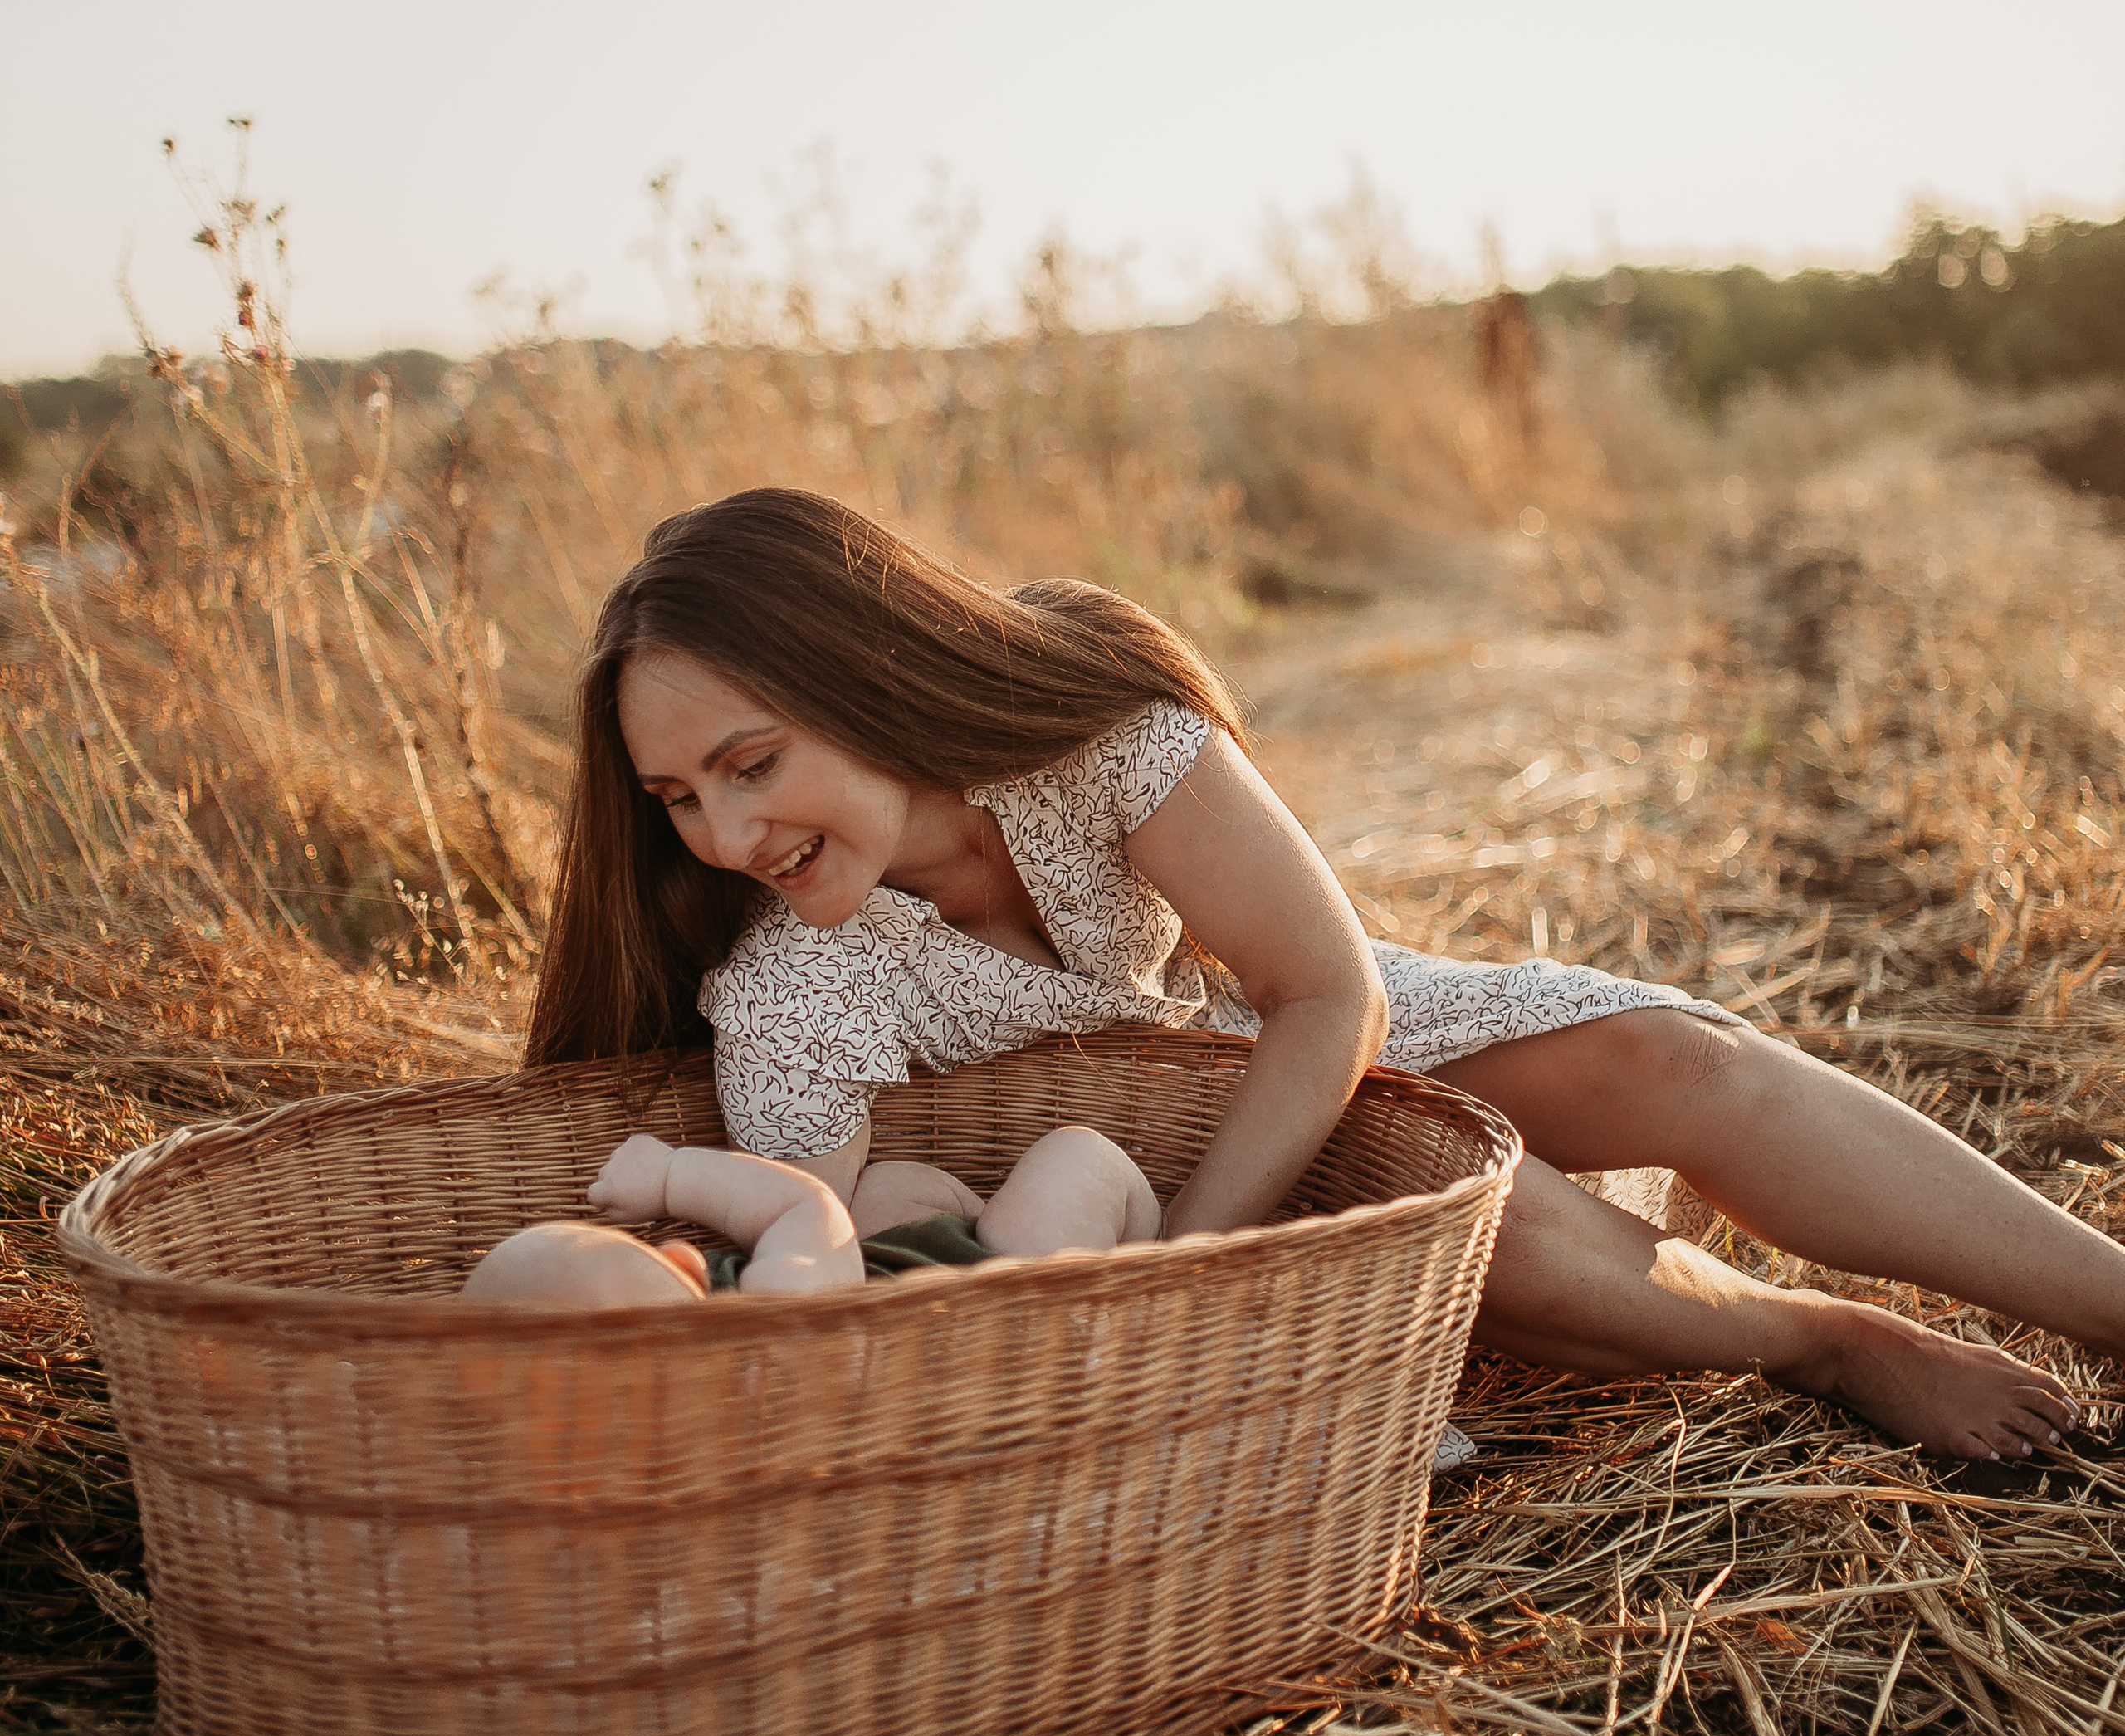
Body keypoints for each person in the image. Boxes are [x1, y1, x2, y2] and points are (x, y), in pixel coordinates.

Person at [525, 487, 2121, 1464]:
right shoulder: (788, 978)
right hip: (1111, 1210)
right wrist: (1174, 1289)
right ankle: (1825, 1337)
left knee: (1674, 1060)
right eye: (677, 800)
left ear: (858, 673)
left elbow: (1328, 993)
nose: (726, 834)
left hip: (1267, 1051)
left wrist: (1202, 1246)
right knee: (1482, 1206)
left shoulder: (1082, 717)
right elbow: (821, 1266)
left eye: (749, 764)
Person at [462, 1121, 1159, 1304]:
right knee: (1077, 1162)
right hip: (1000, 1295)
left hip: (888, 1282)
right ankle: (1173, 1280)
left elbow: (811, 1211)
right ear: (681, 1268)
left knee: (883, 1195)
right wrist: (670, 1176)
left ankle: (974, 1219)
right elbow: (802, 1201)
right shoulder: (769, 1316)